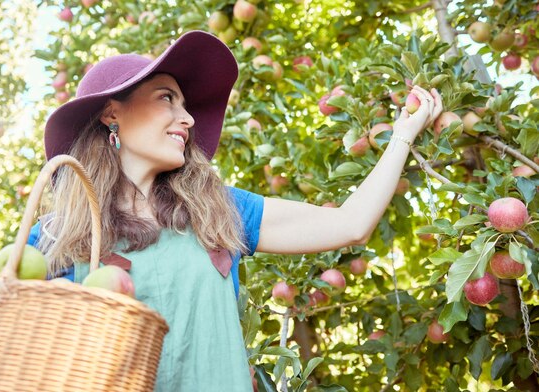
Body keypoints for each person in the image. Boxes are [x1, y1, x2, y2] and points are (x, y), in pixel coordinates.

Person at [27, 30, 442, 391]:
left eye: (185, 105)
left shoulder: (219, 209)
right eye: (167, 98)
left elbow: (350, 224)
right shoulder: (54, 237)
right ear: (111, 112)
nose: (186, 118)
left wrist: (402, 135)